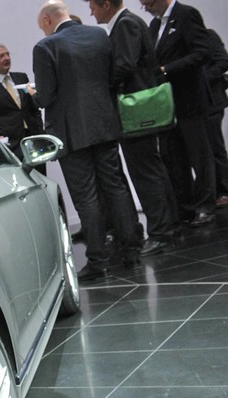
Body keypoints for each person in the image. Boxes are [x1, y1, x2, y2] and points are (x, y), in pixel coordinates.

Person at [33, 0, 143, 279]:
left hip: (71, 133)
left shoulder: (45, 47)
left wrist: (33, 96)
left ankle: (98, 260)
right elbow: (111, 76)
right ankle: (132, 251)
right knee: (116, 187)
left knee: (87, 197)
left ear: (47, 20)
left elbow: (46, 96)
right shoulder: (98, 35)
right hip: (105, 124)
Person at [84, 0, 180, 257]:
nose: (91, 12)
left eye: (93, 6)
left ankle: (161, 233)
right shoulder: (129, 23)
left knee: (145, 172)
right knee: (152, 168)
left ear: (106, 4)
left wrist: (99, 85)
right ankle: (169, 226)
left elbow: (124, 65)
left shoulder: (125, 24)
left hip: (135, 109)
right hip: (138, 108)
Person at [142, 0, 217, 226]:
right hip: (167, 103)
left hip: (191, 99)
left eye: (147, 2)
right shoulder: (155, 25)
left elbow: (202, 53)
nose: (145, 7)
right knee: (175, 157)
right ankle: (185, 207)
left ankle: (205, 206)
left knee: (199, 156)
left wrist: (167, 70)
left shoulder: (186, 14)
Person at [0, 44, 45, 157]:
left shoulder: (21, 77)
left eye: (7, 54)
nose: (6, 58)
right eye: (1, 56)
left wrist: (40, 132)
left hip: (34, 140)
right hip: (10, 146)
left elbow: (33, 108)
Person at [203, 28, 228, 207]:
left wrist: (201, 80)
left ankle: (224, 190)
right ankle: (215, 190)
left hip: (212, 100)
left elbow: (223, 61)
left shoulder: (208, 36)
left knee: (215, 146)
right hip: (198, 103)